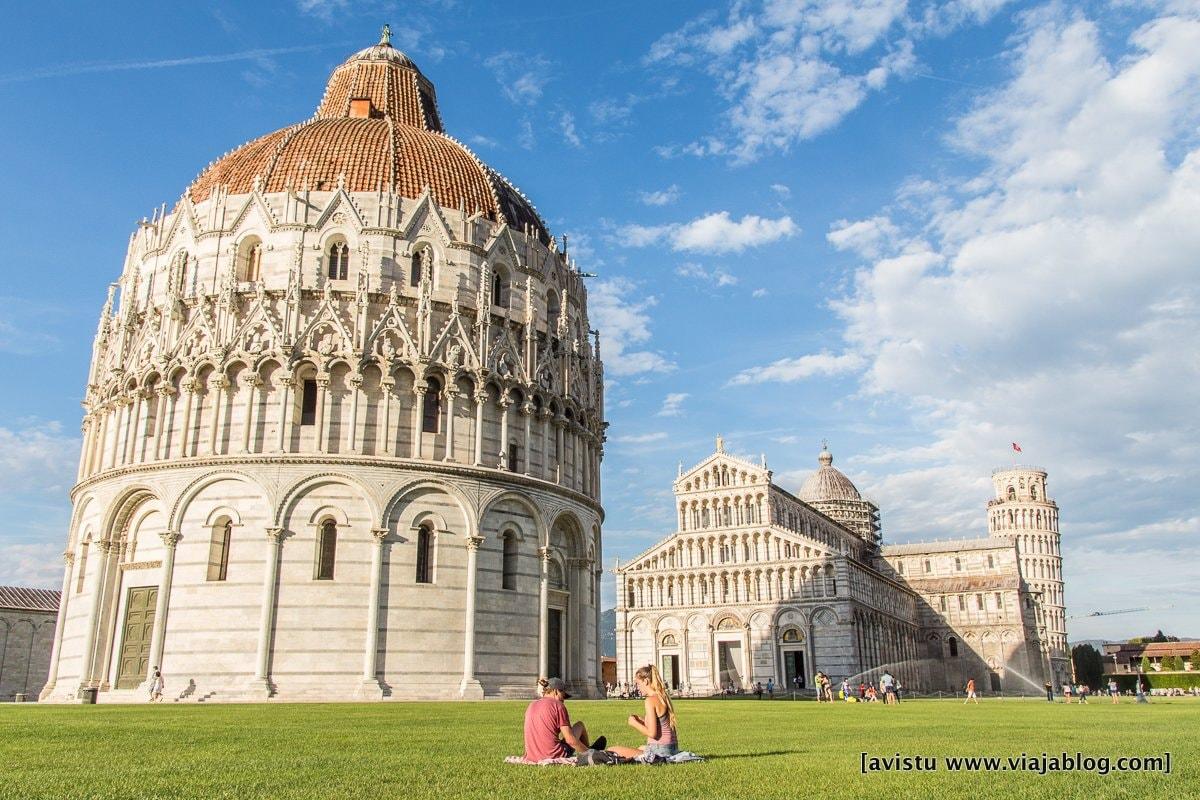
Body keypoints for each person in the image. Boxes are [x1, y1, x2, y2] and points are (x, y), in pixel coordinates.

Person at [523, 678, 604, 762]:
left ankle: (587, 749)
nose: (563, 700)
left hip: (532, 756)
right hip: (554, 755)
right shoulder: (557, 705)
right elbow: (570, 740)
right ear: (555, 691)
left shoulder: (531, 705)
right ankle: (589, 751)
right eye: (563, 695)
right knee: (580, 725)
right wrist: (592, 754)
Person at [609, 664, 679, 760]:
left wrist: (634, 723)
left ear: (645, 681)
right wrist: (642, 720)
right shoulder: (663, 697)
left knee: (612, 750)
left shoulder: (650, 700)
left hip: (660, 751)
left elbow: (652, 733)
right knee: (640, 748)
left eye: (638, 684)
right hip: (672, 749)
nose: (637, 687)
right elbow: (661, 726)